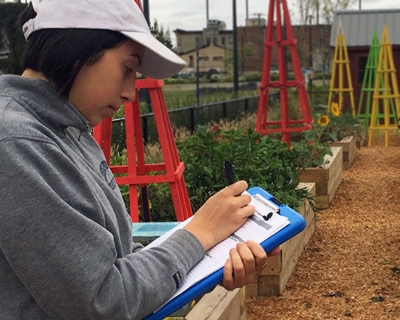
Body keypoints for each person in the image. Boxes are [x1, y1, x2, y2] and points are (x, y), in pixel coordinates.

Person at [0, 0, 279, 319]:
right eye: (128, 68)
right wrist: (199, 233)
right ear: (78, 46)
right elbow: (103, 302)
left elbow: (122, 261)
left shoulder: (70, 131)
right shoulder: (16, 141)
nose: (132, 92)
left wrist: (212, 261)